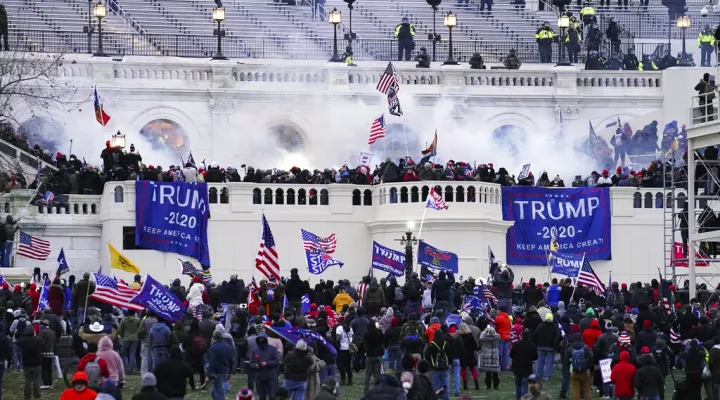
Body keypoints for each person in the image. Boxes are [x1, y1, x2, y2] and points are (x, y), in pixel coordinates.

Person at [249, 333, 280, 400]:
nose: (261, 344)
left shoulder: (272, 349)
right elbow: (251, 363)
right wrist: (256, 365)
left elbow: (276, 361)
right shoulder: (255, 350)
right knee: (262, 396)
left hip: (271, 376)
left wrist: (267, 363)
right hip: (259, 377)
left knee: (272, 396)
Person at [17, 325, 43, 400]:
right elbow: (43, 343)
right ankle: (37, 396)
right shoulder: (38, 340)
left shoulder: (22, 341)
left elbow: (17, 342)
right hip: (37, 363)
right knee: (36, 381)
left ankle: (27, 397)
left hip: (26, 364)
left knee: (27, 381)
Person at [511, 328, 538, 400]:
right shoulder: (532, 346)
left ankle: (518, 398)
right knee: (525, 386)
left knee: (518, 385)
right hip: (527, 369)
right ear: (529, 336)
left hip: (517, 368)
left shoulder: (516, 344)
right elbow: (535, 357)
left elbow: (511, 355)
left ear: (521, 335)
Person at [207, 330, 233, 400]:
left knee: (218, 391)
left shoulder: (213, 348)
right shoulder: (228, 346)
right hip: (225, 370)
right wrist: (230, 372)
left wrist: (208, 375)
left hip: (217, 372)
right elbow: (231, 360)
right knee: (213, 391)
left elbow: (212, 362)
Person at [567, 332, 593, 400]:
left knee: (576, 391)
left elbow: (566, 358)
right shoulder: (585, 347)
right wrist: (588, 366)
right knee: (587, 391)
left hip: (574, 371)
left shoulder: (570, 348)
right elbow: (592, 356)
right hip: (584, 371)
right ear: (581, 338)